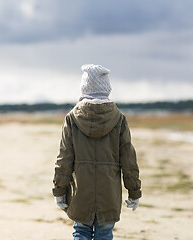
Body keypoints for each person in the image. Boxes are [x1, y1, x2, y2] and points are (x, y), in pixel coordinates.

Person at [52, 64, 142, 240]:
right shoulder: (119, 119)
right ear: (107, 89)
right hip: (108, 193)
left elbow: (64, 159)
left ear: (84, 87)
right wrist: (134, 191)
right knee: (104, 234)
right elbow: (129, 160)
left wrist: (59, 190)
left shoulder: (72, 118)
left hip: (80, 193)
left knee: (81, 232)